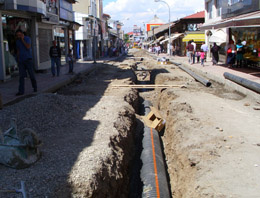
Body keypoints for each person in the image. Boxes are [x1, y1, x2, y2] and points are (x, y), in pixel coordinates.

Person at [15, 29, 37, 96]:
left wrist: (22, 40)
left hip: (28, 60)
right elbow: (18, 50)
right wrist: (18, 59)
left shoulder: (27, 39)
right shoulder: (17, 41)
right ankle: (21, 91)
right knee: (21, 76)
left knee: (31, 75)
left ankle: (35, 87)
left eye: (19, 35)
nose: (18, 36)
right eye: (17, 35)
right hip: (21, 61)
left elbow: (28, 47)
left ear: (22, 34)